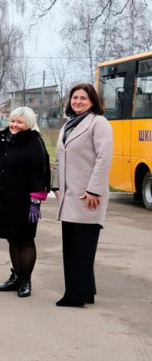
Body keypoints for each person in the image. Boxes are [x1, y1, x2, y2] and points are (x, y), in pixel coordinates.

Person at [52, 83, 113, 307]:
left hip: (88, 196)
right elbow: (59, 157)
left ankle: (75, 296)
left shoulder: (99, 123)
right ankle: (86, 291)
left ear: (92, 101)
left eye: (82, 98)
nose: (77, 101)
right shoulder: (68, 124)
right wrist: (56, 185)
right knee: (72, 245)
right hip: (68, 196)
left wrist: (94, 189)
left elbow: (104, 158)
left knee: (82, 247)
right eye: (74, 97)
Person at [0, 107, 50, 298]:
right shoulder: (2, 140)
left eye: (20, 122)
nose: (14, 125)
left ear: (28, 124)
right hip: (3, 200)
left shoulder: (34, 142)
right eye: (13, 121)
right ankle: (16, 276)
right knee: (12, 238)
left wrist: (36, 200)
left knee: (25, 239)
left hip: (24, 201)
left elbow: (41, 170)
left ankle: (25, 280)